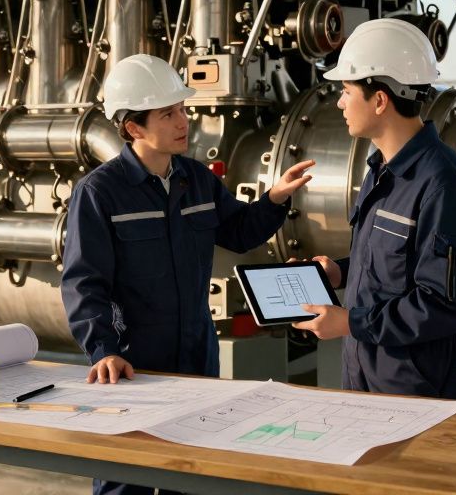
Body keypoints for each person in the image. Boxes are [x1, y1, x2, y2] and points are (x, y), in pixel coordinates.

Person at [62, 54, 313, 495]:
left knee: (193, 473)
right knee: (127, 479)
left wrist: (275, 198)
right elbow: (84, 282)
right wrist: (102, 349)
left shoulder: (195, 178)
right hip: (133, 364)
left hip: (197, 355)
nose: (184, 121)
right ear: (133, 127)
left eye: (182, 109)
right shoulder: (99, 193)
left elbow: (237, 231)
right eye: (168, 113)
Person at [292, 19, 456, 401]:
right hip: (368, 377)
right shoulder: (383, 171)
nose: (339, 103)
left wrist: (350, 323)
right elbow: (393, 265)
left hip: (422, 390)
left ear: (380, 100)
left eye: (347, 91)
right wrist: (339, 271)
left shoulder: (444, 186)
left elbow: (444, 305)